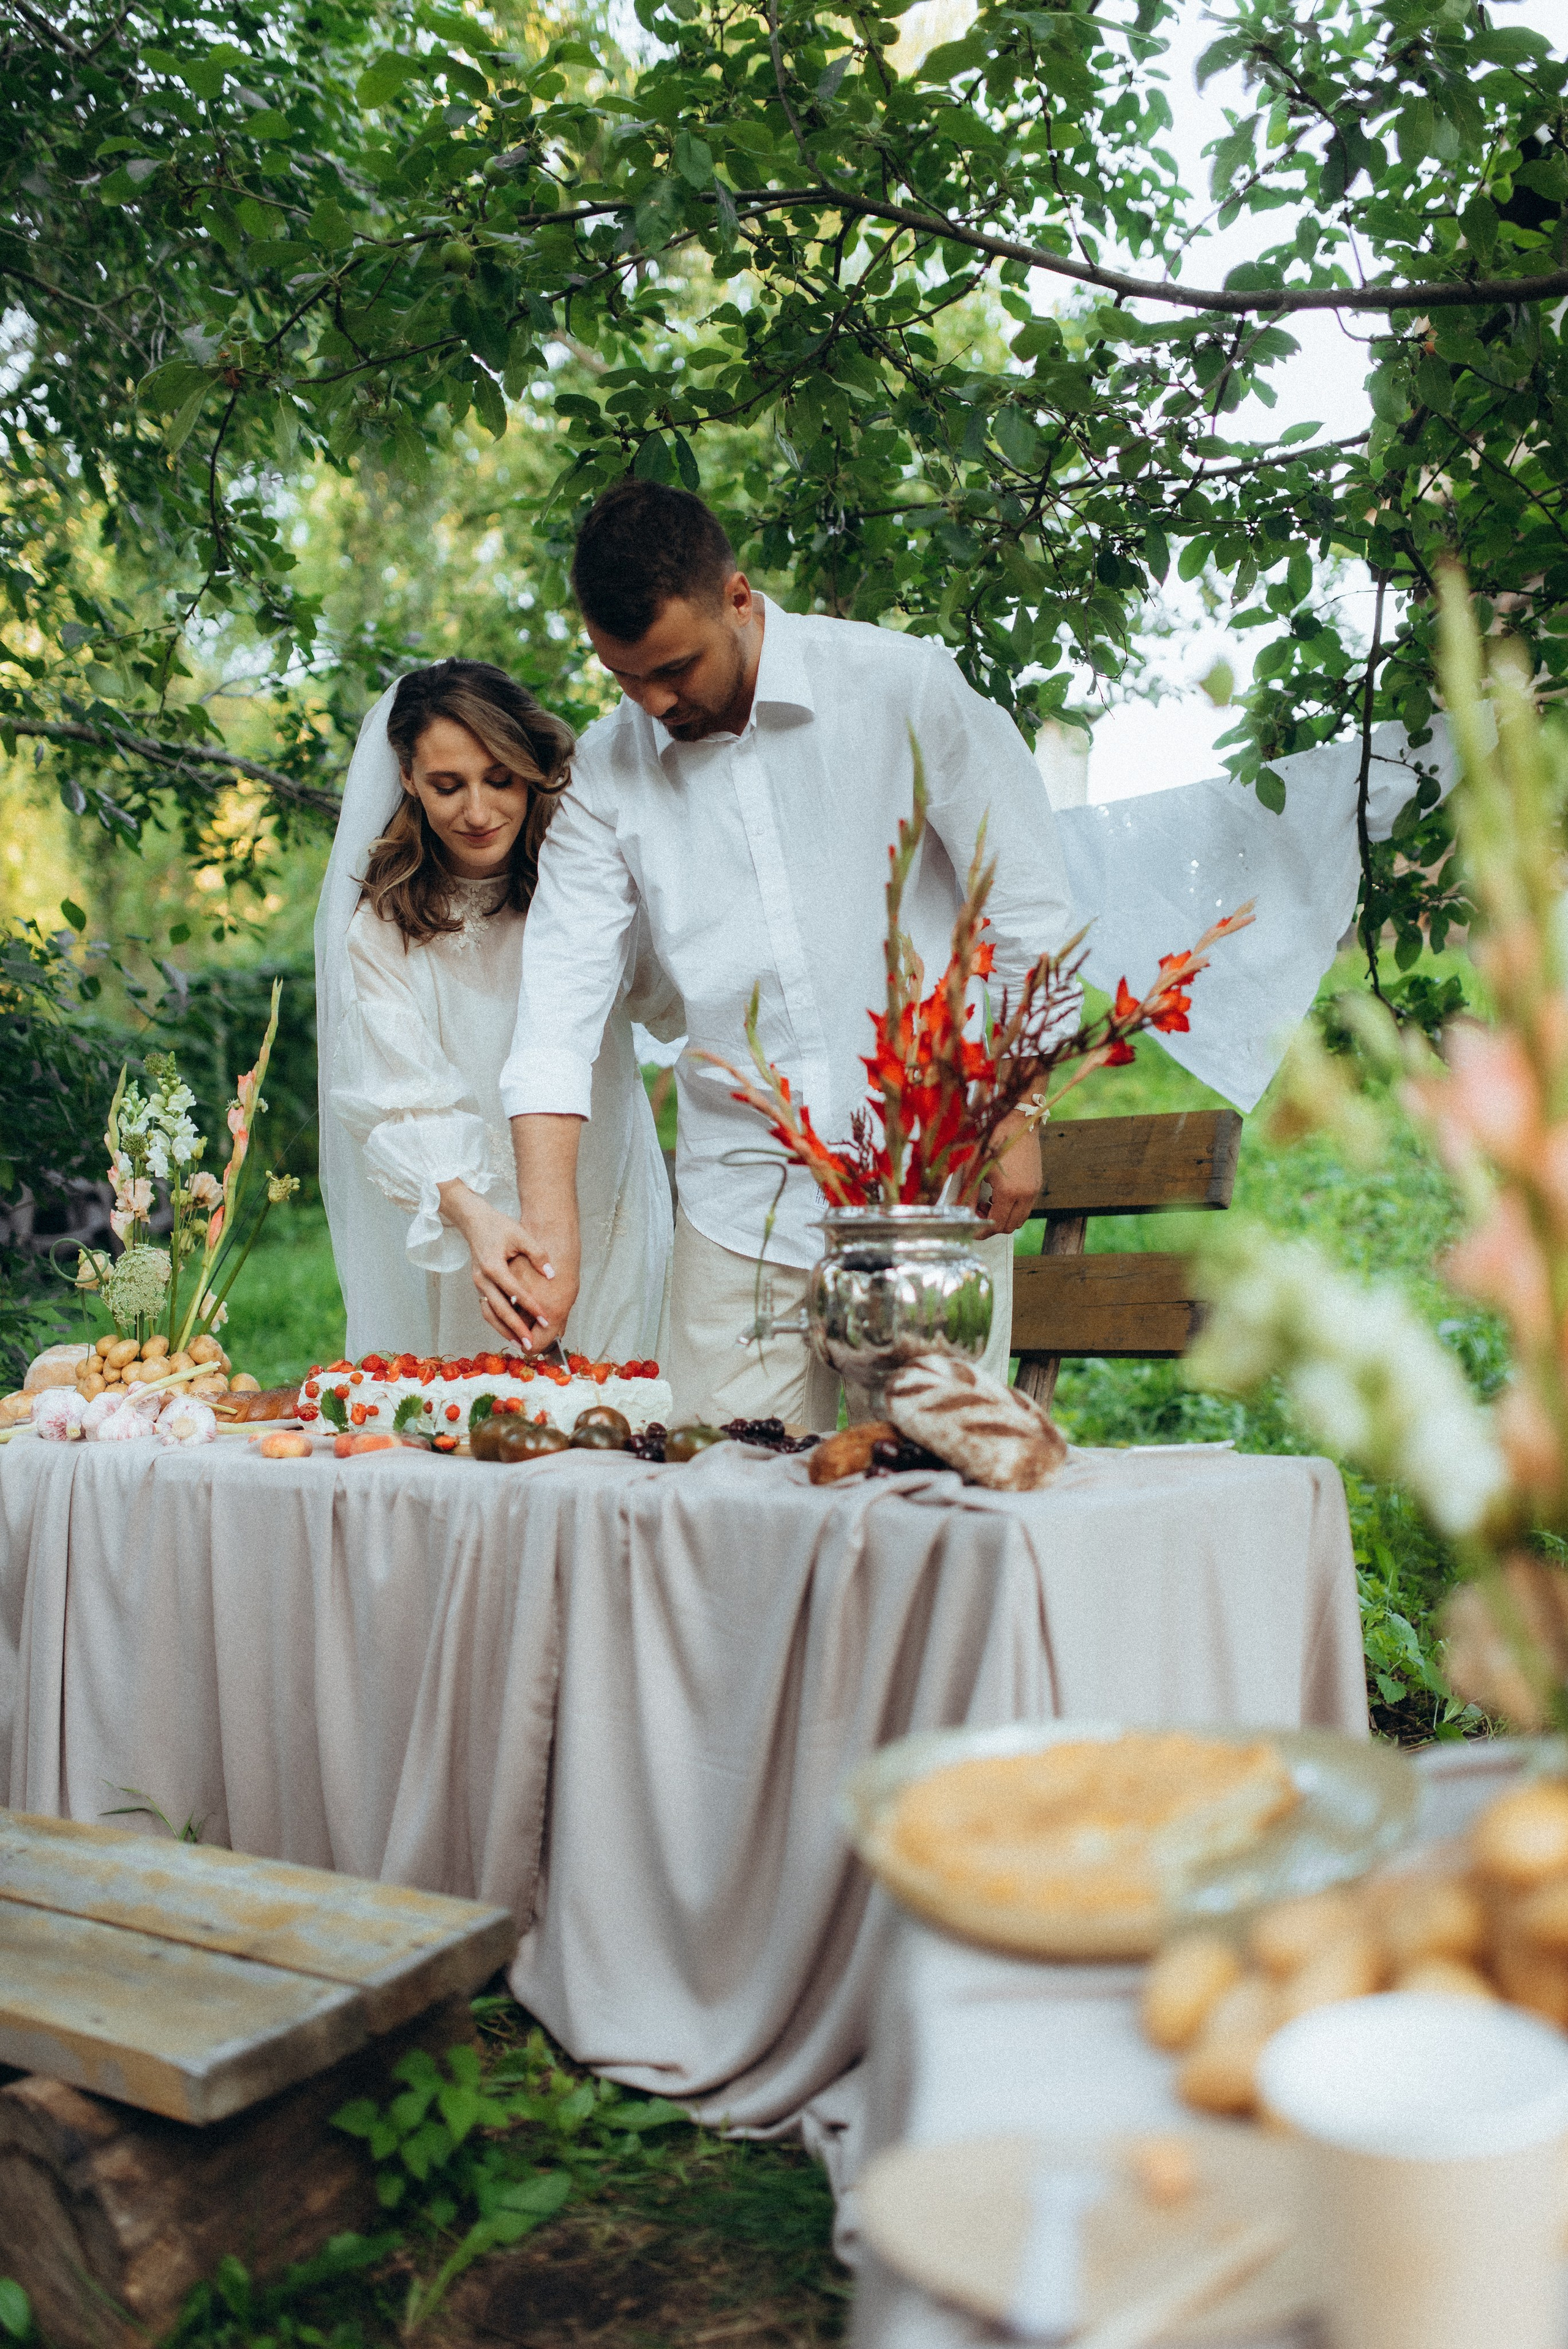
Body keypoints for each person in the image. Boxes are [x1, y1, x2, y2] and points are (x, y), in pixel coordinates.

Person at [494, 483, 1077, 1428]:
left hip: (925, 1189)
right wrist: (549, 1225)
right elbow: (557, 1003)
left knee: (931, 1501)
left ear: (739, 596)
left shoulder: (904, 686)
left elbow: (1025, 906)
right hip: (738, 1206)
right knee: (718, 1519)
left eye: (673, 668)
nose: (654, 701)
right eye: (625, 677)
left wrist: (1013, 1108)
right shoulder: (607, 772)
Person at [315, 658, 676, 1362]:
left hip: (605, 1193)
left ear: (531, 768)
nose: (478, 813)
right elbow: (402, 1103)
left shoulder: (586, 883)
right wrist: (478, 1222)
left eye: (500, 779)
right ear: (408, 781)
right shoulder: (380, 930)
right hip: (467, 1220)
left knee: (615, 1404)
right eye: (447, 786)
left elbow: (665, 1001)